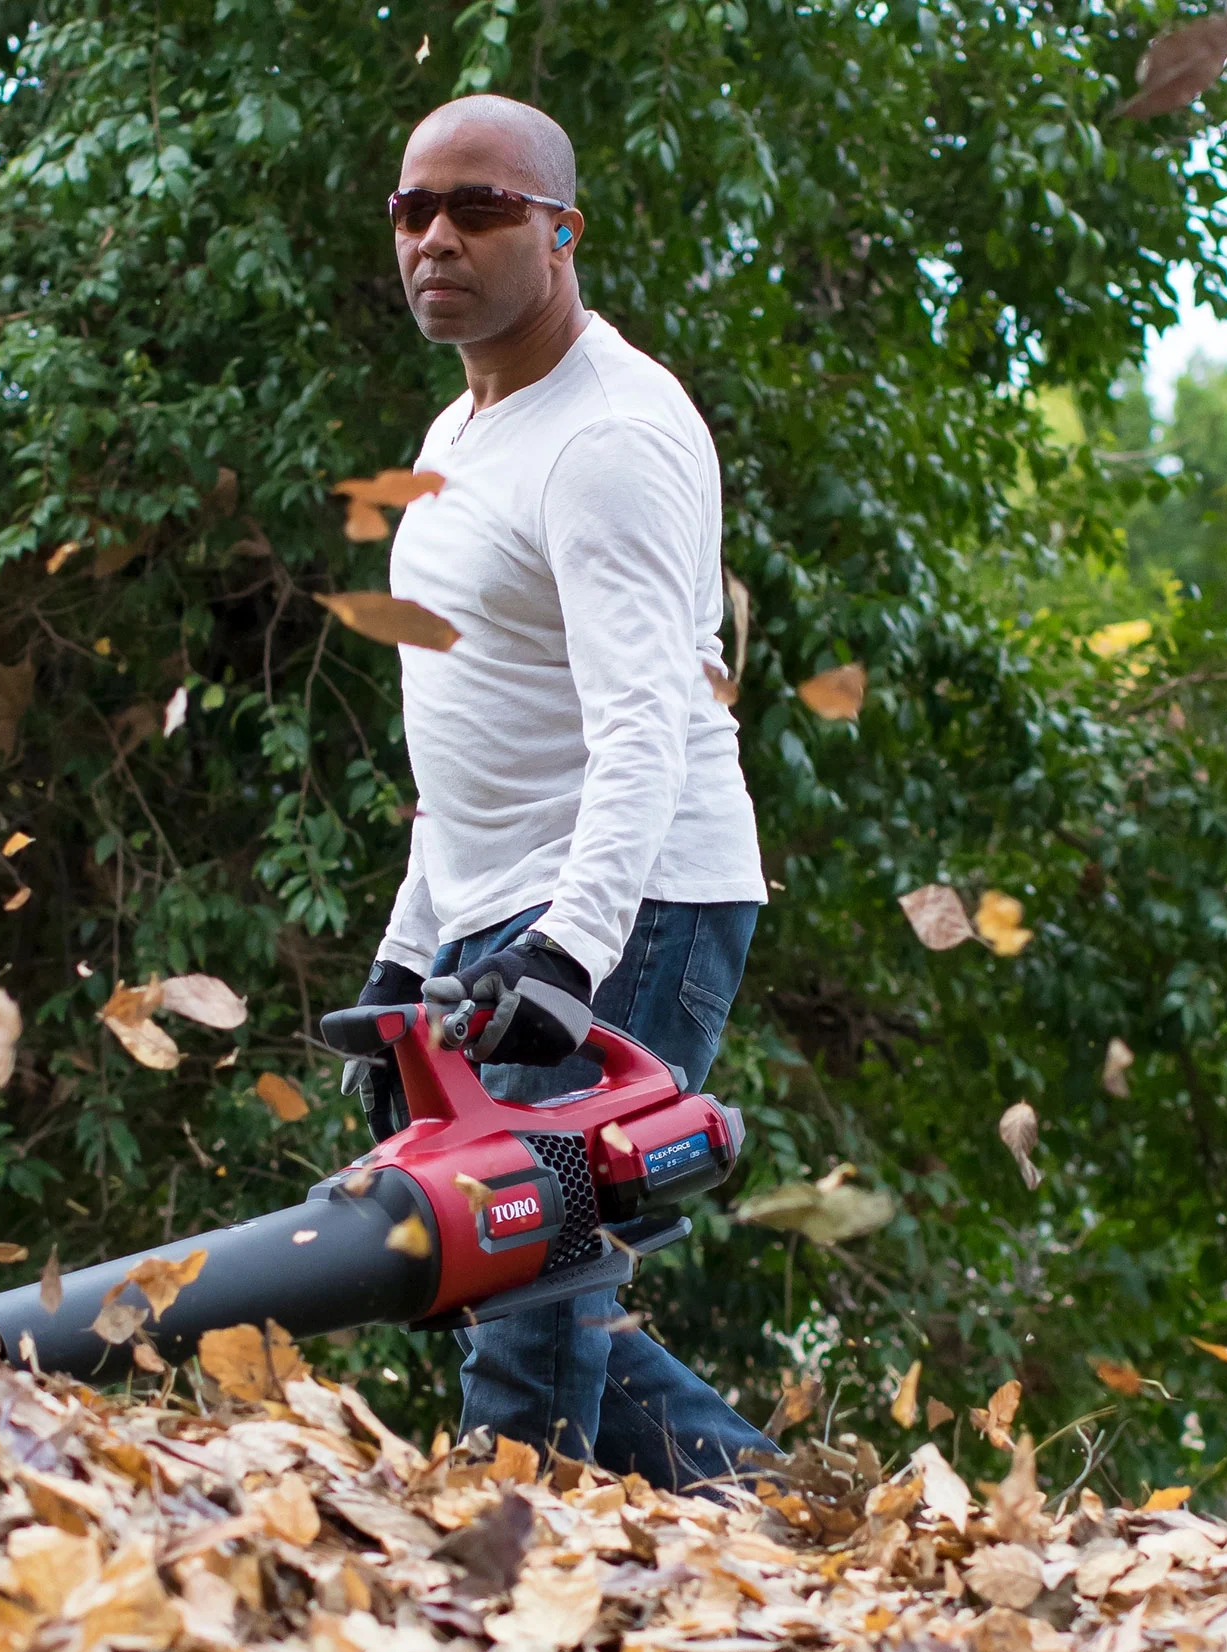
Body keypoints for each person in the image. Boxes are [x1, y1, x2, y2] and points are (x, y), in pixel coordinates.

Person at [347, 93, 778, 1490]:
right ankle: (781, 1518)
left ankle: (497, 1587)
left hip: (629, 907)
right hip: (503, 911)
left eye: (481, 208)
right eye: (414, 208)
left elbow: (645, 725)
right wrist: (409, 953)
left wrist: (569, 957)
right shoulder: (461, 428)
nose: (437, 237)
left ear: (562, 233)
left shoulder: (609, 438)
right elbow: (465, 734)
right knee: (508, 1275)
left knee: (523, 1278)